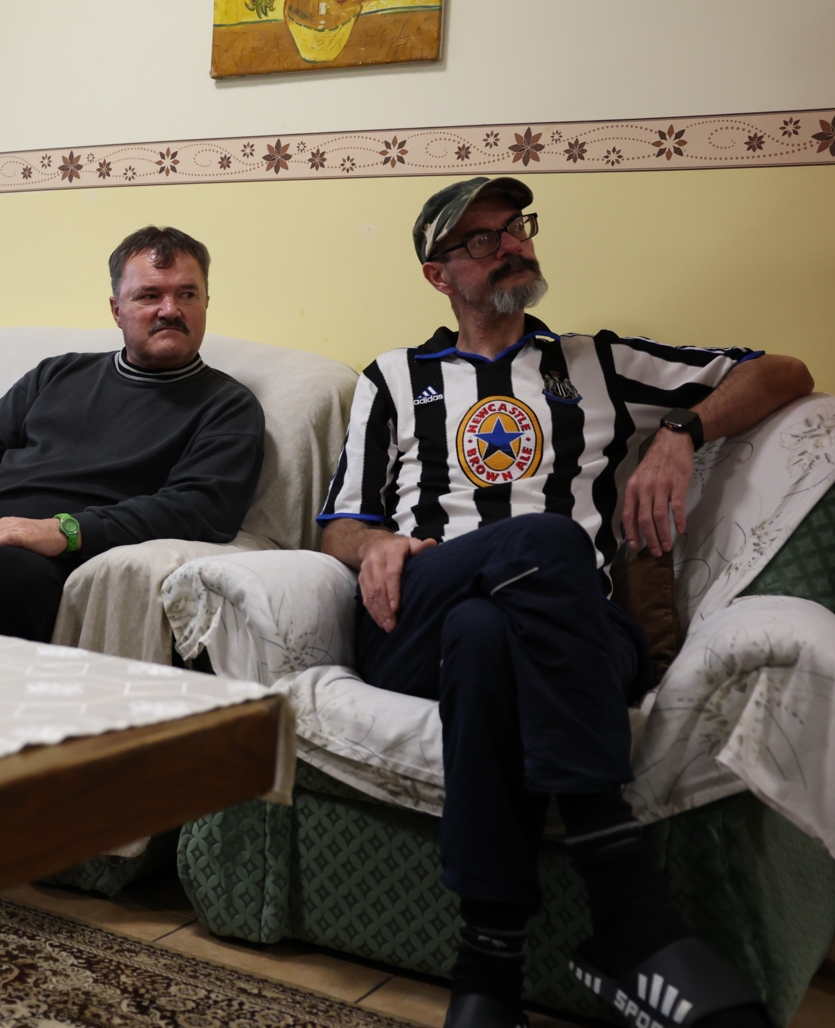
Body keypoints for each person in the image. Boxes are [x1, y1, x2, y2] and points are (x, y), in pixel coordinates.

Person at [317, 177, 813, 1028]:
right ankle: (630, 910)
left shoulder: (598, 362)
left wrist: (681, 432)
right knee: (538, 546)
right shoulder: (393, 379)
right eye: (481, 239)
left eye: (516, 227)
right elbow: (340, 527)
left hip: (580, 633)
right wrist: (376, 547)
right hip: (416, 620)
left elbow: (785, 372)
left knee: (488, 632)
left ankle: (487, 970)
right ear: (438, 276)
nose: (512, 244)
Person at [0, 225, 266, 642]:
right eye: (149, 295)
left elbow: (200, 508)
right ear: (116, 309)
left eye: (187, 294)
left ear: (206, 302)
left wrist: (64, 530)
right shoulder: (57, 373)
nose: (170, 309)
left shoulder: (227, 405)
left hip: (40, 563)